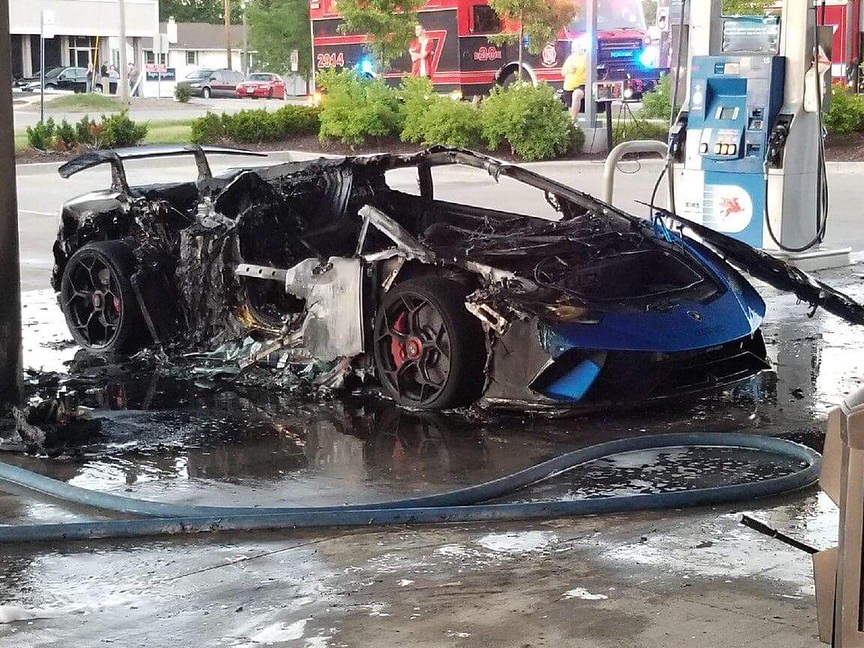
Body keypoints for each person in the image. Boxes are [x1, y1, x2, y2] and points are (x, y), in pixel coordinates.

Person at [561, 43, 587, 121]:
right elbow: (563, 72)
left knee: (576, 95)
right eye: (577, 47)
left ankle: (574, 119)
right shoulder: (570, 59)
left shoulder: (587, 58)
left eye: (580, 46)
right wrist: (569, 70)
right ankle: (573, 123)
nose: (579, 48)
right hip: (569, 86)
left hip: (582, 84)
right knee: (570, 107)